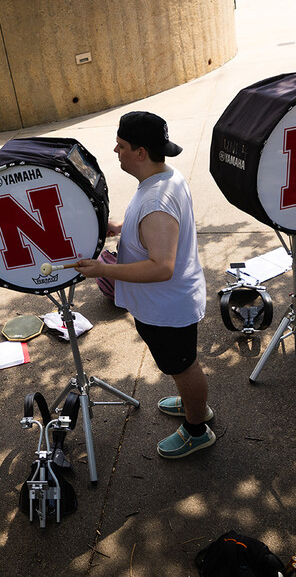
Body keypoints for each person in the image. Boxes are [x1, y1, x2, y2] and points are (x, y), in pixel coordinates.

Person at [74, 112, 214, 459]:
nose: (115, 150)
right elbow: (160, 230)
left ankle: (197, 428)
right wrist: (124, 227)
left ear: (139, 152)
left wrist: (103, 271)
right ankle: (190, 404)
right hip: (164, 305)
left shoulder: (156, 202)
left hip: (167, 307)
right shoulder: (166, 176)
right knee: (178, 366)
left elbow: (161, 267)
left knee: (183, 366)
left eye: (121, 146)